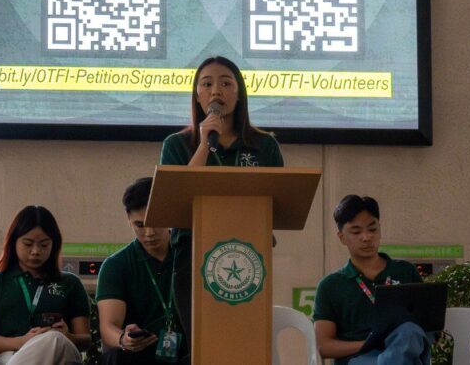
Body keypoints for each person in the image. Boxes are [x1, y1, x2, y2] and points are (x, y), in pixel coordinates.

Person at [158, 55, 284, 352]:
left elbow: (279, 203)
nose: (216, 91)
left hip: (249, 257)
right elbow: (177, 199)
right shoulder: (176, 145)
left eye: (226, 83)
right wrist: (204, 144)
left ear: (239, 94)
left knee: (244, 347)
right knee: (203, 347)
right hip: (192, 258)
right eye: (207, 84)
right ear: (197, 96)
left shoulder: (264, 145)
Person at [313, 195, 430, 365]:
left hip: (405, 350)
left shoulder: (405, 271)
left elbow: (426, 326)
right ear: (341, 237)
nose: (366, 237)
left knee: (409, 330)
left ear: (380, 230)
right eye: (356, 232)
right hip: (358, 359)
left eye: (372, 229)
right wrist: (370, 344)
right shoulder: (330, 286)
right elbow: (323, 346)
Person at [0, 205, 91, 364]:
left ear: (54, 245)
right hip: (8, 355)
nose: (35, 251)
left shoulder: (70, 283)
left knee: (54, 338)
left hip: (61, 354)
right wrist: (24, 341)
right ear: (14, 242)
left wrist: (67, 336)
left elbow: (85, 340)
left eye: (44, 245)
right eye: (28, 244)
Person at [96, 177, 186, 364]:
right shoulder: (116, 265)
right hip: (139, 356)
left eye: (156, 222)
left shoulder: (191, 256)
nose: (150, 232)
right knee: (116, 357)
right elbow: (108, 327)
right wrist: (124, 339)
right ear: (128, 219)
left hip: (188, 353)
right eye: (140, 225)